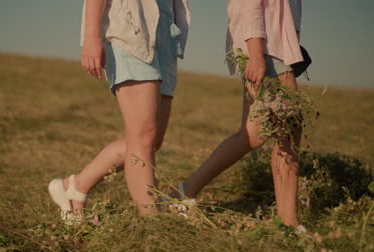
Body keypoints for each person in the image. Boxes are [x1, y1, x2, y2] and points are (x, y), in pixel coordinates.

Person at [49, 0, 191, 221]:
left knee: (151, 141)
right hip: (130, 27)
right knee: (143, 139)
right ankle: (154, 225)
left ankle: (75, 187)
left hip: (165, 29)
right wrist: (91, 36)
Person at [171, 0, 307, 231]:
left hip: (274, 48)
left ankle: (183, 191)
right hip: (267, 48)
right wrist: (255, 54)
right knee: (288, 133)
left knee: (252, 134)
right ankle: (289, 224)